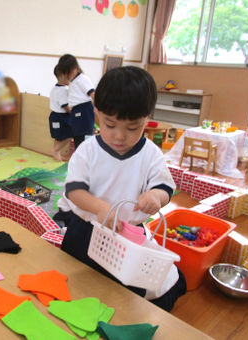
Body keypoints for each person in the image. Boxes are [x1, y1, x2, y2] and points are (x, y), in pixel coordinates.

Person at [55, 66, 186, 312]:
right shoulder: (88, 150)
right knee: (76, 284)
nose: (119, 136)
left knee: (126, 297)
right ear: (96, 113)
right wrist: (100, 207)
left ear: (148, 118)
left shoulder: (150, 154)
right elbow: (74, 191)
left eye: (132, 128)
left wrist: (155, 196)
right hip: (86, 230)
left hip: (129, 237)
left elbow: (165, 186)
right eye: (110, 124)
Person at [57, 54, 95, 150]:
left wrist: (99, 109)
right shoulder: (73, 81)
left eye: (68, 73)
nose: (67, 76)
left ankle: (84, 161)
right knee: (77, 136)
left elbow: (93, 94)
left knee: (83, 137)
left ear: (76, 68)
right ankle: (80, 159)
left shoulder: (82, 79)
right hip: (76, 110)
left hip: (84, 110)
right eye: (65, 74)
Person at [49, 64, 72, 161]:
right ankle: (55, 150)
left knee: (58, 137)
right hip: (62, 117)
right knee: (71, 134)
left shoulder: (55, 88)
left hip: (54, 116)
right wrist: (72, 113)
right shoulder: (64, 90)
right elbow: (65, 106)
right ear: (63, 76)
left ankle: (57, 155)